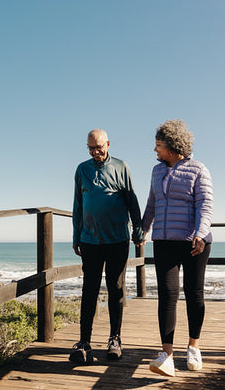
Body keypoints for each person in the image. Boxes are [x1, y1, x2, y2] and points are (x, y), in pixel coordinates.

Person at [142, 119, 213, 377]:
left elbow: (205, 206)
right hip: (164, 242)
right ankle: (167, 355)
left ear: (173, 147)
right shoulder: (156, 171)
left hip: (195, 243)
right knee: (167, 296)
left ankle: (193, 346)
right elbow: (152, 203)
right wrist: (143, 228)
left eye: (159, 145)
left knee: (194, 295)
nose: (155, 150)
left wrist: (199, 234)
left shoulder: (198, 169)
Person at [69, 128, 144, 364]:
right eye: (91, 148)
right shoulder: (82, 169)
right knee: (89, 290)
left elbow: (132, 201)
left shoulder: (121, 167)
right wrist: (76, 235)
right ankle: (84, 343)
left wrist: (138, 229)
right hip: (90, 240)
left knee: (116, 288)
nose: (95, 152)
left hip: (117, 240)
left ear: (108, 144)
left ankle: (115, 339)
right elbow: (78, 206)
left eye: (99, 147)